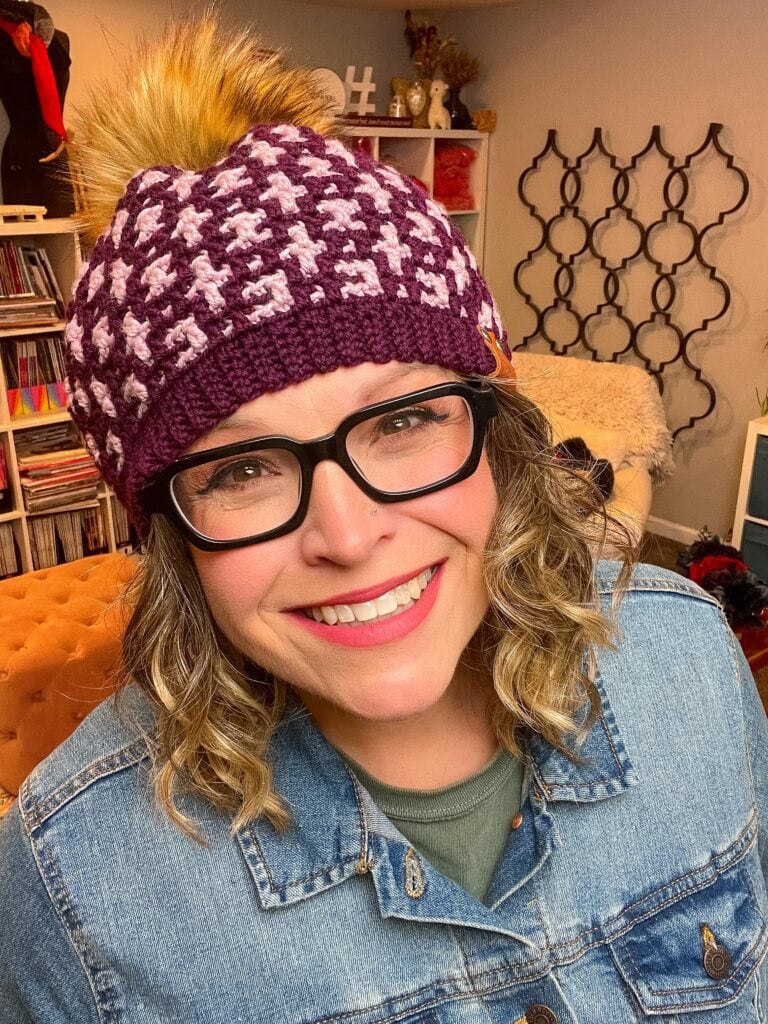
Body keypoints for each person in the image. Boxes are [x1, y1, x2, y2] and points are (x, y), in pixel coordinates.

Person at [1, 15, 766, 1024]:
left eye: (402, 418)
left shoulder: (688, 662)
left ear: (497, 435)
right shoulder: (72, 888)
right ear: (170, 531)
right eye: (243, 469)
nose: (350, 535)